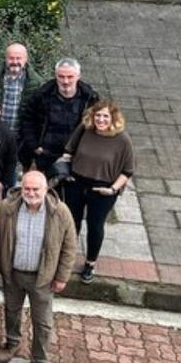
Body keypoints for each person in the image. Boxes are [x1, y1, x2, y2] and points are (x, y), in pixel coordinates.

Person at [0, 170, 78, 363]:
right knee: (12, 311)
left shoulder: (60, 212)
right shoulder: (7, 208)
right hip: (13, 274)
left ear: (46, 189)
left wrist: (61, 276)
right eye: (26, 189)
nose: (30, 193)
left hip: (43, 278)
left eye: (35, 189)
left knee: (43, 322)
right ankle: (12, 343)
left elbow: (70, 247)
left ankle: (40, 362)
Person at [60, 100, 134, 283]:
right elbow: (68, 151)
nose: (100, 120)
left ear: (113, 118)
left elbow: (128, 171)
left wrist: (112, 189)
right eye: (97, 115)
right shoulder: (85, 129)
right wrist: (65, 173)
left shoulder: (123, 140)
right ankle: (66, 260)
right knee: (71, 223)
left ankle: (90, 263)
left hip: (102, 189)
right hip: (76, 182)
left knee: (95, 226)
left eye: (105, 116)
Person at [19, 58, 100, 177]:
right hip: (45, 154)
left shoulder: (89, 98)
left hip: (75, 156)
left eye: (70, 77)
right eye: (61, 76)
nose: (65, 81)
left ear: (78, 76)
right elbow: (28, 120)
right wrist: (34, 145)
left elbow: (97, 126)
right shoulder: (41, 95)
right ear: (55, 76)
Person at [0, 42, 45, 138]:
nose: (15, 61)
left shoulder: (36, 82)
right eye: (11, 58)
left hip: (21, 138)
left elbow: (41, 112)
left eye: (18, 58)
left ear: (26, 59)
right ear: (6, 58)